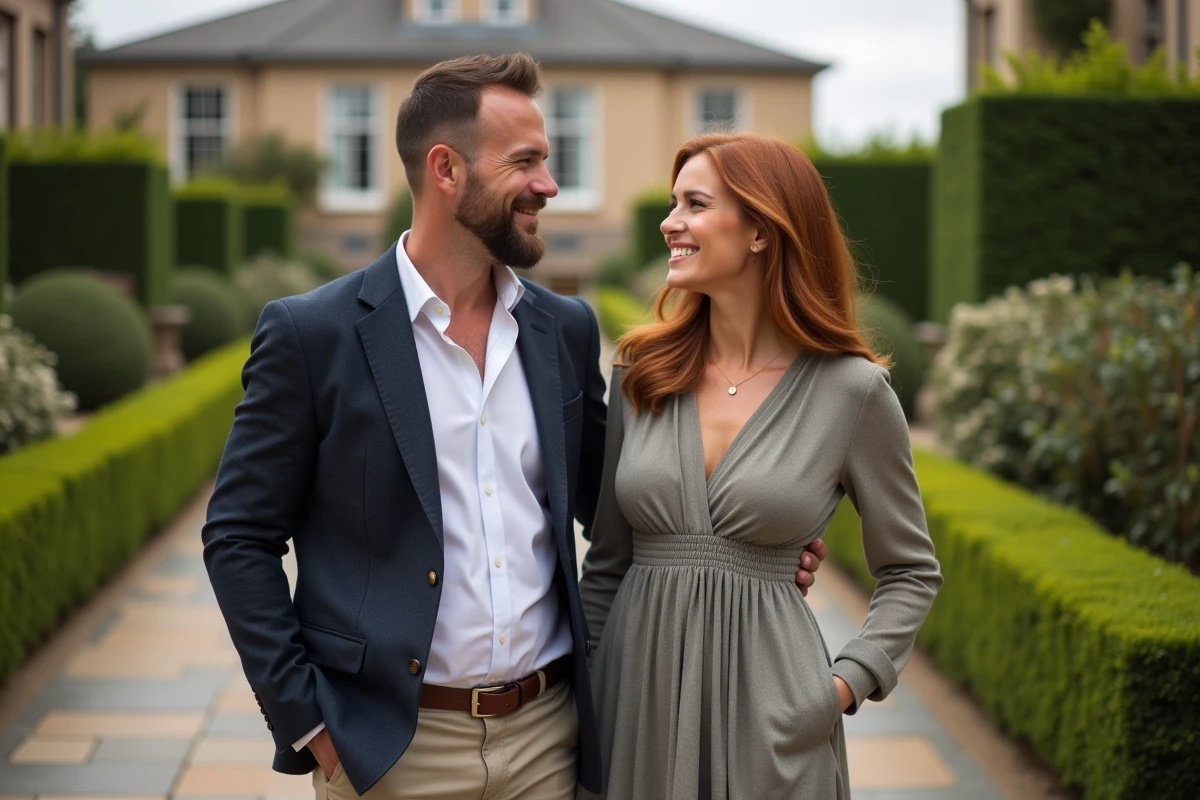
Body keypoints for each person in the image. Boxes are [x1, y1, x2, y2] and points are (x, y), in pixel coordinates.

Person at [202, 53, 829, 799]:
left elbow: (622, 500)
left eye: (549, 160)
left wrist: (748, 536)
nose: (549, 185)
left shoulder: (561, 329)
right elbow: (238, 536)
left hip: (550, 736)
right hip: (392, 749)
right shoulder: (315, 334)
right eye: (525, 161)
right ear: (446, 170)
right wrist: (310, 723)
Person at [578, 134, 943, 800]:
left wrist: (840, 687)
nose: (669, 221)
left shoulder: (852, 392)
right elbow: (606, 563)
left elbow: (911, 570)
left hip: (774, 722)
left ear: (760, 229)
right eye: (671, 202)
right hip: (636, 709)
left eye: (694, 202)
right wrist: (587, 705)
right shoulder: (641, 372)